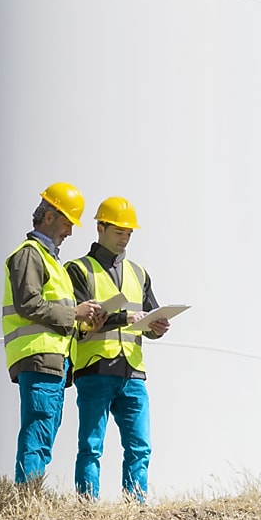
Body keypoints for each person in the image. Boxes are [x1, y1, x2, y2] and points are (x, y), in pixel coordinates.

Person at [2, 182, 108, 486]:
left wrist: (84, 322)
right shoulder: (28, 255)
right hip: (38, 357)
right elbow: (28, 304)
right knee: (38, 431)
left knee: (43, 433)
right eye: (67, 223)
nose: (70, 232)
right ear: (48, 216)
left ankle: (30, 497)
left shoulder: (51, 261)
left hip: (53, 360)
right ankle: (27, 501)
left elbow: (54, 311)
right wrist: (74, 313)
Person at [66, 196, 170, 502]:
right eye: (118, 232)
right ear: (100, 228)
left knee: (140, 447)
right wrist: (124, 317)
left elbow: (149, 316)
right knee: (91, 446)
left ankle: (135, 507)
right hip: (95, 369)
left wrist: (157, 327)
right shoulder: (77, 270)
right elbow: (82, 319)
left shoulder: (139, 273)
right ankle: (87, 506)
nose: (124, 238)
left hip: (133, 373)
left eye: (128, 233)